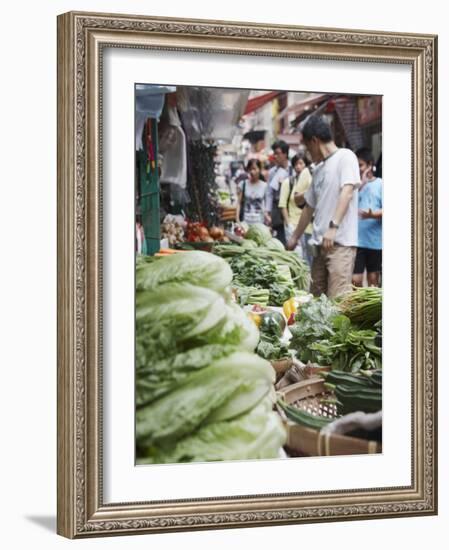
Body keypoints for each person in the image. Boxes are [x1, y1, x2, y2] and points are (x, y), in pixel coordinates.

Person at [287, 115, 360, 298]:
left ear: (315, 141)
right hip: (319, 247)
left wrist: (333, 227)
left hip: (340, 245)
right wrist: (294, 237)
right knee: (316, 300)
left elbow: (347, 191)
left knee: (337, 302)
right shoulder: (318, 170)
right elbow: (309, 207)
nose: (307, 153)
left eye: (306, 147)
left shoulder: (346, 157)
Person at [352, 148, 383, 287]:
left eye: (360, 165)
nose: (358, 169)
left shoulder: (380, 184)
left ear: (370, 165)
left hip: (375, 241)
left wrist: (371, 215)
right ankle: (358, 308)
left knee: (373, 280)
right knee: (355, 280)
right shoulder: (354, 185)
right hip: (357, 241)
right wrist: (361, 184)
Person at [278, 152, 313, 264]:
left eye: (301, 163)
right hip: (293, 225)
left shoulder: (310, 182)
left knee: (309, 260)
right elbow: (283, 205)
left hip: (309, 227)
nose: (298, 167)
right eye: (296, 164)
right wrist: (288, 225)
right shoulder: (288, 183)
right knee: (296, 260)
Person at [265, 140, 291, 245]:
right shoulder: (272, 172)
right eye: (274, 153)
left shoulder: (292, 169)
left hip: (290, 207)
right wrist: (267, 211)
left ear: (285, 154)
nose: (275, 156)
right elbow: (269, 193)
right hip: (277, 209)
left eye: (277, 153)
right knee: (279, 238)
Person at [236, 159, 268, 225]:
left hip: (260, 223)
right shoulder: (243, 184)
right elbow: (239, 203)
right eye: (250, 169)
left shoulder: (264, 186)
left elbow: (266, 205)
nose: (252, 172)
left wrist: (267, 217)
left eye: (254, 169)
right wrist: (237, 219)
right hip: (245, 222)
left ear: (259, 169)